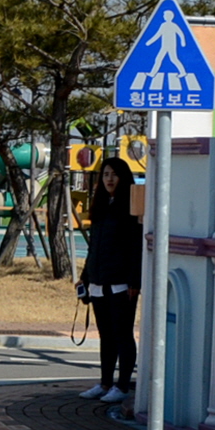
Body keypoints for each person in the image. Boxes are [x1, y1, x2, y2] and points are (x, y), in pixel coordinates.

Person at [79, 157, 143, 404]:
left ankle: (123, 385)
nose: (109, 179)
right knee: (106, 335)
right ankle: (105, 382)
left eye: (114, 174)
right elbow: (93, 247)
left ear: (123, 177)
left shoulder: (130, 208)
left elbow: (135, 248)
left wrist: (134, 282)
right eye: (105, 174)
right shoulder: (100, 206)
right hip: (98, 281)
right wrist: (85, 278)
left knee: (122, 334)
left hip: (121, 284)